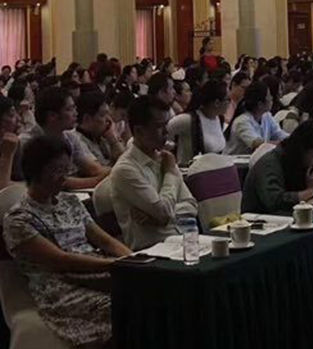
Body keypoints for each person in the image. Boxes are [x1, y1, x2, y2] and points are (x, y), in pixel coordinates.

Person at [3, 135, 131, 349]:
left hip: (98, 274)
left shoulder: (71, 202)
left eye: (66, 169)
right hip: (60, 288)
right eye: (56, 170)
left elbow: (104, 240)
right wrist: (114, 264)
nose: (64, 177)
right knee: (120, 307)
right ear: (36, 172)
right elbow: (61, 260)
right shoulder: (19, 220)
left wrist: (132, 259)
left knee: (144, 293)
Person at [110, 98, 197, 249]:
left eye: (166, 125)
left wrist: (161, 217)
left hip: (185, 241)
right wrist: (170, 173)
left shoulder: (165, 158)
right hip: (153, 250)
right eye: (159, 126)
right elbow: (163, 211)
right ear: (139, 131)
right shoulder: (125, 170)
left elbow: (192, 206)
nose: (166, 132)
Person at [240, 120, 313, 214]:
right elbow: (274, 202)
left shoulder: (302, 163)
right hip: (261, 218)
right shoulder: (270, 163)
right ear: (303, 149)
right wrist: (309, 192)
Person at [35, 87, 108, 190]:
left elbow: (93, 169)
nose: (76, 114)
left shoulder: (70, 137)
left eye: (74, 108)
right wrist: (97, 180)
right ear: (52, 116)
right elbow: (59, 181)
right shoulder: (32, 141)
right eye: (69, 109)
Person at [168, 80, 230, 165]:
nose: (229, 103)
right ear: (217, 103)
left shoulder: (219, 119)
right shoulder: (188, 120)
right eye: (228, 99)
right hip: (191, 170)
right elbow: (165, 132)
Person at [226, 81, 287, 155]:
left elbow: (279, 134)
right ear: (260, 104)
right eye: (269, 96)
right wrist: (283, 143)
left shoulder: (266, 116)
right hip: (235, 160)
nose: (272, 98)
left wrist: (291, 139)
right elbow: (256, 144)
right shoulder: (242, 121)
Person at [73, 90, 124, 168]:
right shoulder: (76, 141)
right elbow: (99, 171)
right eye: (103, 115)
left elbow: (126, 160)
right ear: (87, 119)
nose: (108, 120)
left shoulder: (103, 136)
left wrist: (113, 140)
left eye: (108, 114)